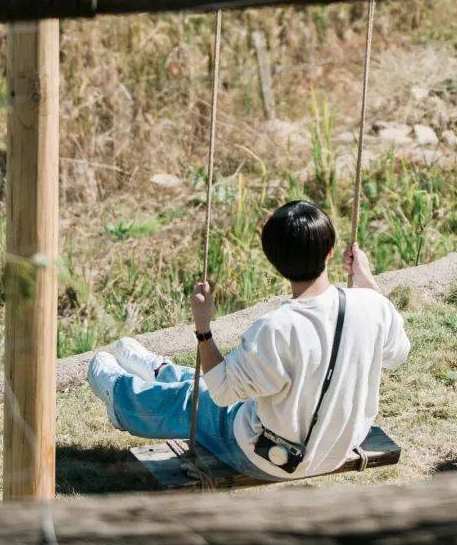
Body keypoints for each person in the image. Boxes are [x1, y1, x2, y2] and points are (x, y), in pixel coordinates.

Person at [87, 200, 410, 480]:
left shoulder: (277, 327)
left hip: (272, 457)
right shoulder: (372, 304)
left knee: (200, 402)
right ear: (329, 252)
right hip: (336, 448)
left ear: (274, 261)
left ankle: (121, 397)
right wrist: (365, 278)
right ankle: (160, 371)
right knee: (215, 386)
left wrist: (203, 327)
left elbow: (224, 392)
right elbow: (397, 352)